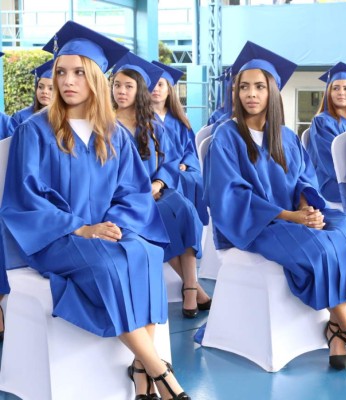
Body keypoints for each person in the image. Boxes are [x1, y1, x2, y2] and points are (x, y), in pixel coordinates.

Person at [0, 21, 190, 400]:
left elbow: (133, 192)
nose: (68, 81)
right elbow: (25, 198)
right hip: (54, 237)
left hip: (104, 232)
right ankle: (159, 371)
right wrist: (82, 228)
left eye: (79, 73)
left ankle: (140, 369)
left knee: (146, 252)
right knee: (108, 265)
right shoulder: (34, 131)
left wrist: (113, 225)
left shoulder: (113, 133)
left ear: (97, 80)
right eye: (61, 73)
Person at [204, 41, 346, 370]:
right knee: (319, 247)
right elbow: (231, 195)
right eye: (244, 87)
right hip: (252, 225)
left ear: (272, 92)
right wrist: (293, 216)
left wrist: (309, 208)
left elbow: (305, 178)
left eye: (259, 87)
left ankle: (336, 329)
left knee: (343, 228)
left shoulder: (286, 136)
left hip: (293, 215)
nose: (251, 94)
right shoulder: (227, 136)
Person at [112, 53, 210, 325]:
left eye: (128, 86)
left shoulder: (152, 125)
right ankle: (194, 289)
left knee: (184, 210)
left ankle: (190, 285)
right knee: (162, 219)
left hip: (157, 189)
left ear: (139, 91)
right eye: (117, 85)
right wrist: (143, 191)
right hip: (126, 199)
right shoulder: (106, 124)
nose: (121, 91)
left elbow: (168, 161)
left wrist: (158, 183)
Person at [150, 61, 209, 225]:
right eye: (152, 84)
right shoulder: (143, 120)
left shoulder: (180, 120)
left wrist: (185, 163)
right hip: (156, 172)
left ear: (169, 89)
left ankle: (198, 228)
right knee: (179, 184)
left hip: (181, 168)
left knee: (197, 181)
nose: (155, 89)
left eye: (160, 84)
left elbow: (190, 149)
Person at [308, 62, 346, 203]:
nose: (341, 92)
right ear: (329, 92)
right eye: (336, 88)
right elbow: (331, 164)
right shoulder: (321, 122)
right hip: (334, 183)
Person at [11, 59, 54, 125]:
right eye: (40, 87)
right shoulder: (21, 117)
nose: (44, 92)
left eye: (51, 88)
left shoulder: (66, 118)